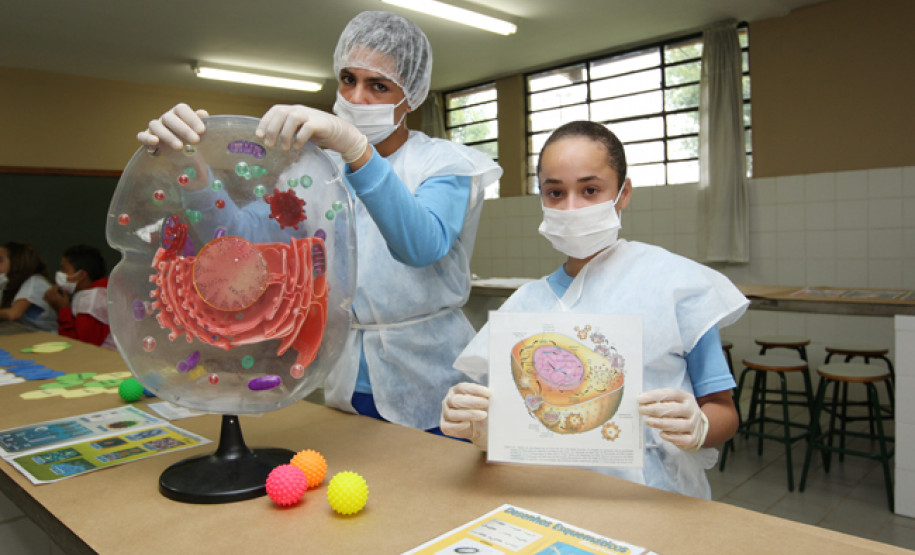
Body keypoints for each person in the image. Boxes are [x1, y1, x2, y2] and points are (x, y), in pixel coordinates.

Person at [137, 11, 502, 432]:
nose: (356, 98)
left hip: (434, 380)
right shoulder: (313, 172)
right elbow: (240, 242)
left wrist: (357, 151)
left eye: (378, 86)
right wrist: (193, 168)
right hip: (343, 375)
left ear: (413, 96)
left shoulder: (445, 164)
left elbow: (420, 246)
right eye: (348, 79)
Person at [440, 121, 748, 499]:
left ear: (623, 193)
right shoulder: (524, 306)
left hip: (656, 496)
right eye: (555, 192)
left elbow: (723, 411)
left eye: (590, 190)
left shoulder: (676, 286)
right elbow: (512, 416)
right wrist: (479, 427)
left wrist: (699, 426)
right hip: (547, 497)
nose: (571, 208)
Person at [43, 245, 115, 349]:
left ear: (81, 275)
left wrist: (62, 309)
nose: (60, 273)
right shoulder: (102, 290)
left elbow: (79, 347)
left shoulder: (91, 301)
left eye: (64, 269)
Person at [0, 241, 57, 332]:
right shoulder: (8, 284)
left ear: (16, 262)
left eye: (0, 260)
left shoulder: (34, 283)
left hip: (49, 336)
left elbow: (13, 314)